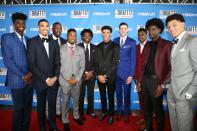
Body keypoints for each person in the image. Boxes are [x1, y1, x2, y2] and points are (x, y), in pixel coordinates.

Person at [1, 12, 33, 131]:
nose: (21, 25)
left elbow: (33, 60)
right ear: (14, 25)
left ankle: (25, 128)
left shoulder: (29, 40)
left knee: (27, 108)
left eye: (23, 23)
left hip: (30, 80)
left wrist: (30, 74)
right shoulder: (6, 37)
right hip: (17, 79)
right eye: (18, 23)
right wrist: (23, 75)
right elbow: (8, 60)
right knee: (19, 108)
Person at [27, 19, 60, 131]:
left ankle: (53, 126)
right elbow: (31, 64)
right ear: (38, 28)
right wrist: (46, 79)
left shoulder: (54, 42)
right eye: (42, 26)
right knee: (40, 107)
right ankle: (42, 127)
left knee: (52, 106)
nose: (45, 28)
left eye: (47, 26)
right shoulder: (32, 41)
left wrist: (55, 77)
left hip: (53, 81)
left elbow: (57, 62)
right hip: (40, 81)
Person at [139, 18, 172, 131]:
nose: (151, 32)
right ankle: (148, 127)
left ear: (160, 29)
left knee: (157, 109)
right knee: (147, 108)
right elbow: (143, 64)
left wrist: (162, 84)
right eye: (149, 30)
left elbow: (171, 68)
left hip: (156, 81)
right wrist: (139, 80)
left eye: (154, 29)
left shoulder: (167, 45)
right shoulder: (147, 45)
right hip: (144, 80)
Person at [166, 13, 197, 131]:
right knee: (174, 124)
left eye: (174, 25)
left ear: (183, 24)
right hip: (172, 92)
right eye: (168, 27)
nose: (171, 29)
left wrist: (191, 91)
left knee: (185, 126)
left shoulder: (192, 41)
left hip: (185, 94)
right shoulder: (174, 43)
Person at [59, 28, 85, 131]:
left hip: (77, 81)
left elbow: (82, 66)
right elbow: (59, 66)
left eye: (75, 35)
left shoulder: (81, 50)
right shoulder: (60, 49)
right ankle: (65, 120)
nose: (73, 37)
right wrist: (68, 78)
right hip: (65, 81)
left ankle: (76, 116)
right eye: (71, 35)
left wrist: (77, 78)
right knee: (65, 102)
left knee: (76, 100)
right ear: (67, 36)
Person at [95, 25, 119, 125]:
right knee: (102, 95)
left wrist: (105, 75)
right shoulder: (98, 46)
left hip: (111, 76)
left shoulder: (115, 46)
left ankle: (111, 114)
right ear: (101, 33)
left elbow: (115, 63)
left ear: (110, 34)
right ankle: (104, 112)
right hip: (100, 77)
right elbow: (95, 62)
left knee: (110, 96)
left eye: (107, 32)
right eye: (103, 32)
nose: (105, 34)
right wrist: (99, 75)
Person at [113, 22, 136, 123]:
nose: (123, 30)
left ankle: (126, 113)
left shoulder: (132, 42)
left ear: (127, 30)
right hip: (116, 74)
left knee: (126, 95)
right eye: (121, 28)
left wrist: (131, 75)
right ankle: (119, 111)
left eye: (125, 28)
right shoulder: (115, 40)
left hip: (127, 74)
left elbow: (133, 59)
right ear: (118, 30)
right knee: (118, 94)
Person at [46, 22, 66, 118]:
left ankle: (58, 112)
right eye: (56, 28)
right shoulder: (46, 40)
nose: (58, 30)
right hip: (51, 74)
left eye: (60, 28)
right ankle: (48, 114)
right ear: (52, 29)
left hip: (62, 73)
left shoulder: (64, 41)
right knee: (49, 97)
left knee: (59, 94)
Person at [78, 29, 97, 121]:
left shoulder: (95, 47)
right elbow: (76, 63)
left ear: (91, 37)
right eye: (85, 35)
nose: (87, 37)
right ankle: (81, 113)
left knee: (91, 94)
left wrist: (91, 72)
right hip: (81, 75)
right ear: (82, 37)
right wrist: (85, 73)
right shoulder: (78, 47)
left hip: (92, 75)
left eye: (89, 35)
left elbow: (97, 62)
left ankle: (90, 111)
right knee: (81, 95)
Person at [135, 28, 148, 130]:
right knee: (141, 100)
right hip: (138, 78)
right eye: (139, 35)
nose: (140, 37)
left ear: (146, 35)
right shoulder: (136, 47)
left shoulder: (151, 46)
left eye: (142, 34)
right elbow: (135, 64)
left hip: (148, 79)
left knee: (148, 101)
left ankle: (148, 122)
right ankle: (143, 117)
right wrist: (136, 78)